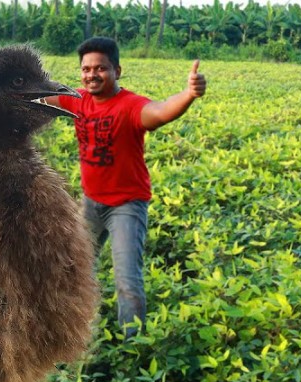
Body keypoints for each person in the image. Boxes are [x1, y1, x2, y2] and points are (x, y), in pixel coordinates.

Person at [46, 37, 206, 338]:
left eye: (101, 68)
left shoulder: (130, 106)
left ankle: (132, 346)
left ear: (117, 71)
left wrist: (188, 94)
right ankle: (75, 333)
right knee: (75, 269)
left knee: (127, 280)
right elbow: (41, 96)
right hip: (91, 204)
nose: (92, 74)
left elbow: (160, 111)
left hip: (126, 207)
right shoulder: (77, 100)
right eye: (86, 69)